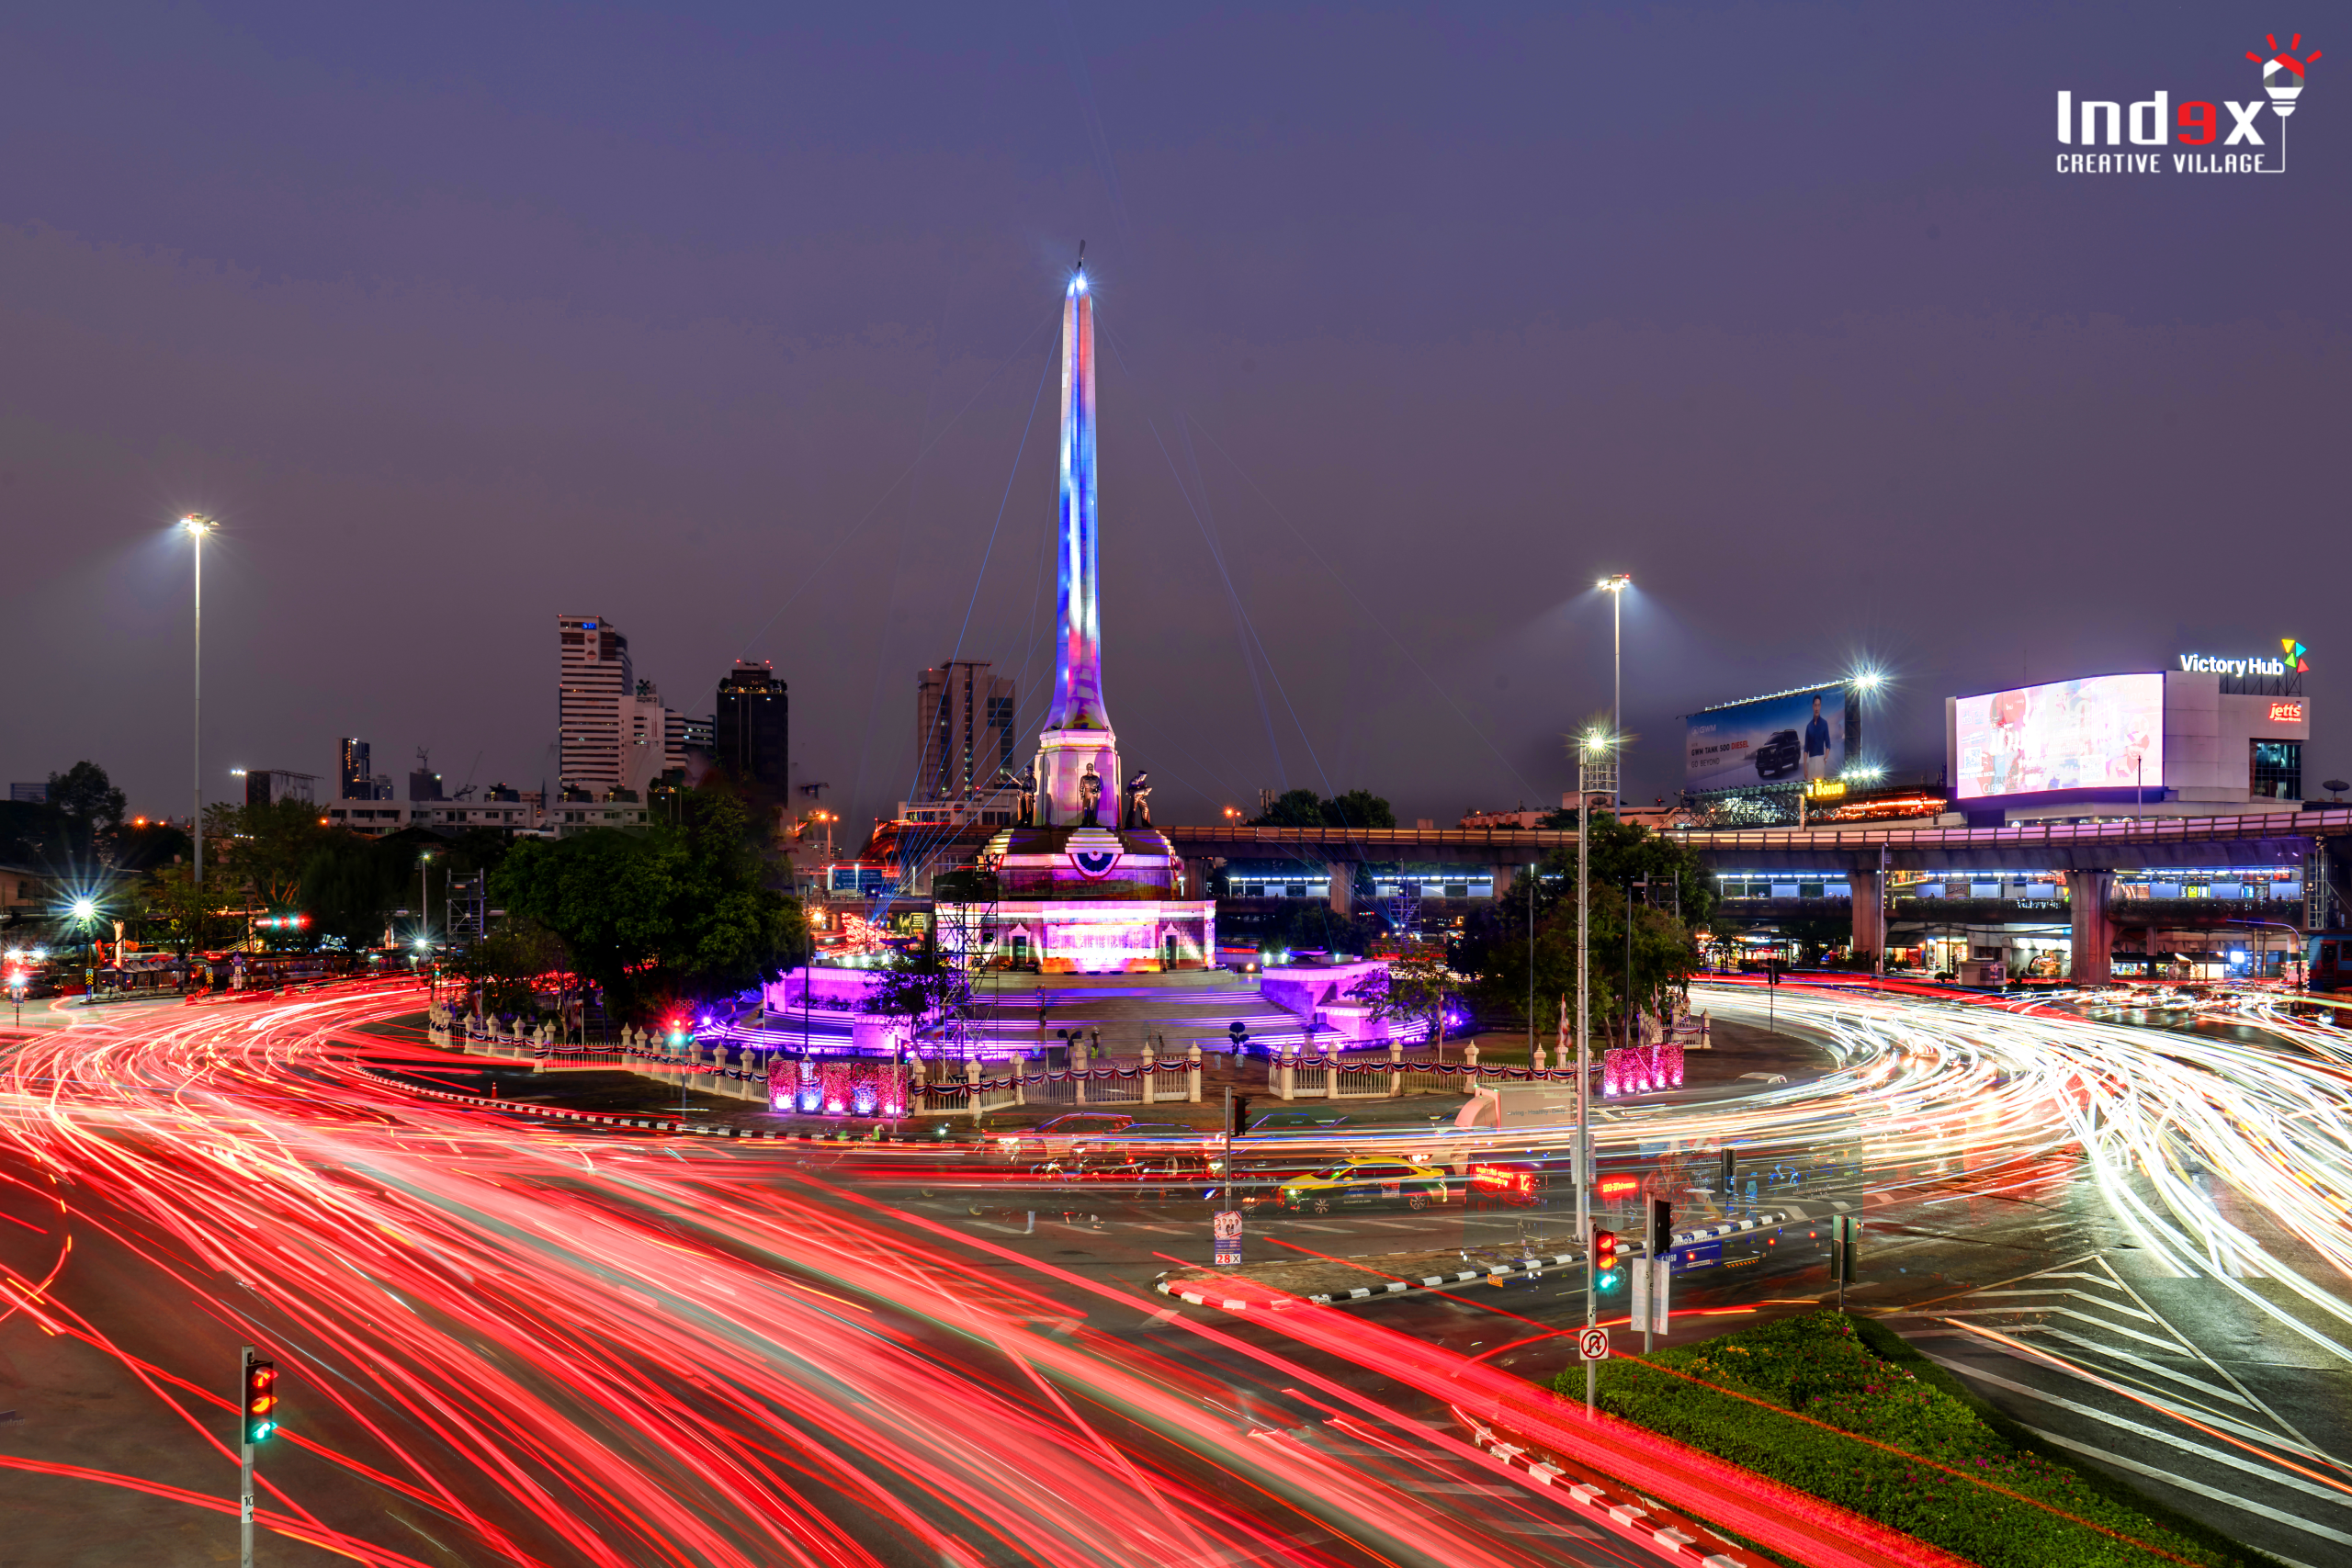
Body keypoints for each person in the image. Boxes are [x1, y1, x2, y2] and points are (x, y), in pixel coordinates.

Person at [1802, 695, 1834, 784]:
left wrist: (1825, 759)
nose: (1817, 708)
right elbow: (1806, 749)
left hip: (1820, 760)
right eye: (1815, 705)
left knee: (1819, 788)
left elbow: (1828, 744)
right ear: (1813, 706)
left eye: (1818, 705)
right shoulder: (1809, 726)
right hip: (1811, 761)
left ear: (1820, 706)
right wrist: (1805, 767)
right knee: (1810, 788)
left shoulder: (1824, 723)